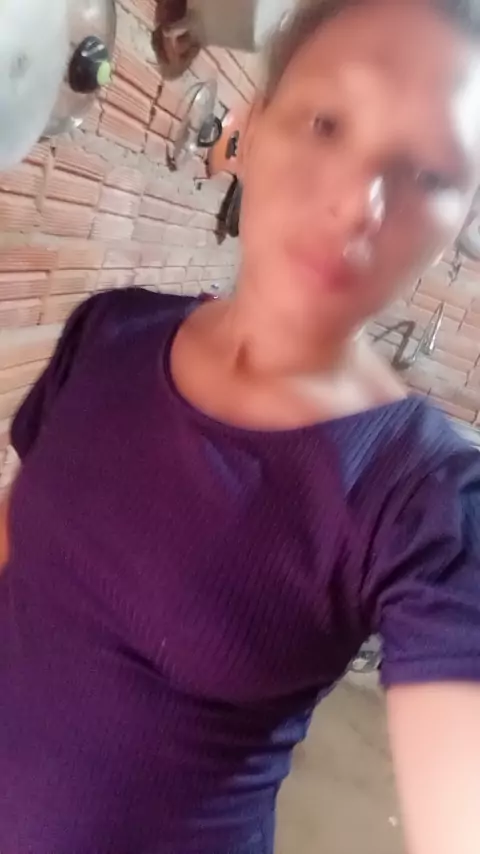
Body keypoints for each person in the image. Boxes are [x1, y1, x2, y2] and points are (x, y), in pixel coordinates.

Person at [1, 0, 480, 852]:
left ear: (459, 228)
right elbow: (19, 549)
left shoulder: (426, 501)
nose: (358, 203)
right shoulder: (111, 330)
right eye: (327, 123)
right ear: (252, 129)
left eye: (429, 173)